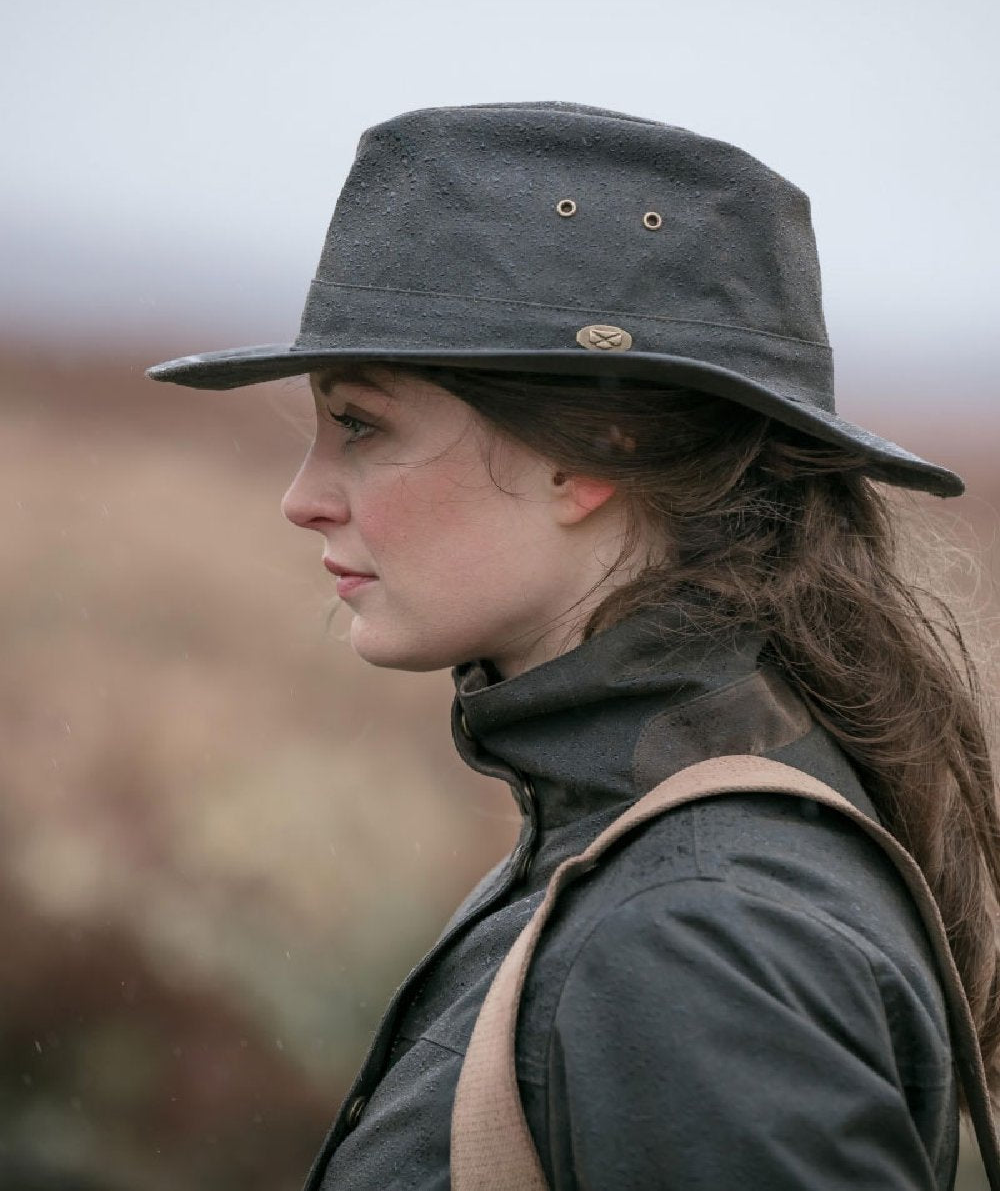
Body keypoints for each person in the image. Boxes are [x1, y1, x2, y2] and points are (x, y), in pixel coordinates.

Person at [146, 102, 1000, 1190]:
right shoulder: (639, 842)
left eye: (361, 424)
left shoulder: (696, 935)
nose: (302, 497)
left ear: (596, 450)